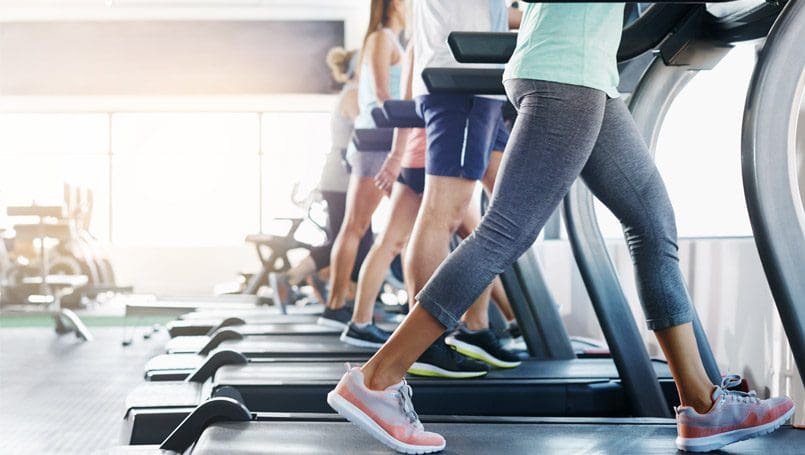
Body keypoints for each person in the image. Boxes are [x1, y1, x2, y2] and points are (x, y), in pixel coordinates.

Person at [327, 2, 795, 454]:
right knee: (504, 233)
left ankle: (701, 403)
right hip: (567, 72)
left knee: (652, 223)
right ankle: (376, 379)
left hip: (581, 70)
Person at [342, 41, 521, 363]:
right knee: (483, 236)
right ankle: (479, 326)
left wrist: (397, 155)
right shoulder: (430, 39)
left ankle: (361, 321)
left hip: (412, 157)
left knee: (389, 243)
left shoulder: (415, 44)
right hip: (436, 157)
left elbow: (406, 98)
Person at [317, 0, 408, 329]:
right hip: (383, 139)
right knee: (360, 227)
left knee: (380, 231)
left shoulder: (387, 39)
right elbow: (384, 95)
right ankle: (338, 305)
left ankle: (338, 306)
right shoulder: (383, 37)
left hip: (381, 138)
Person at [270, 47, 373, 306]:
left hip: (343, 177)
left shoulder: (351, 94)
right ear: (361, 68)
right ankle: (299, 279)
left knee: (352, 239)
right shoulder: (353, 96)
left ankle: (339, 292)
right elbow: (369, 128)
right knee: (351, 239)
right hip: (343, 179)